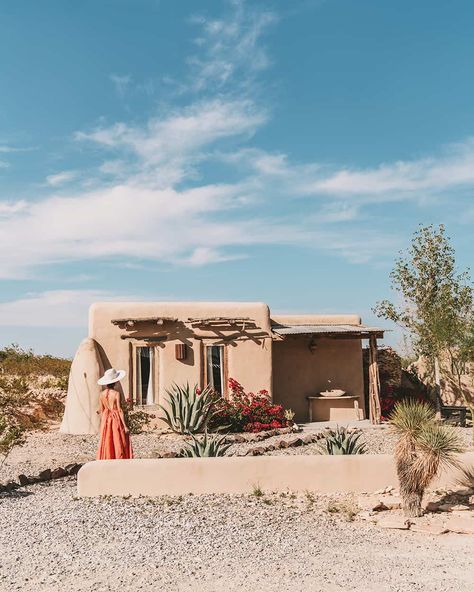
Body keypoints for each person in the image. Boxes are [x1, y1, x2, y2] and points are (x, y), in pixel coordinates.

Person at [96, 368, 133, 460]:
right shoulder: (116, 393)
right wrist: (125, 426)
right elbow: (119, 410)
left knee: (107, 438)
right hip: (115, 417)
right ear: (115, 382)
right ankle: (118, 457)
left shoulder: (101, 394)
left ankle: (108, 457)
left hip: (105, 417)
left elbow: (101, 410)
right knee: (118, 438)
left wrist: (102, 424)